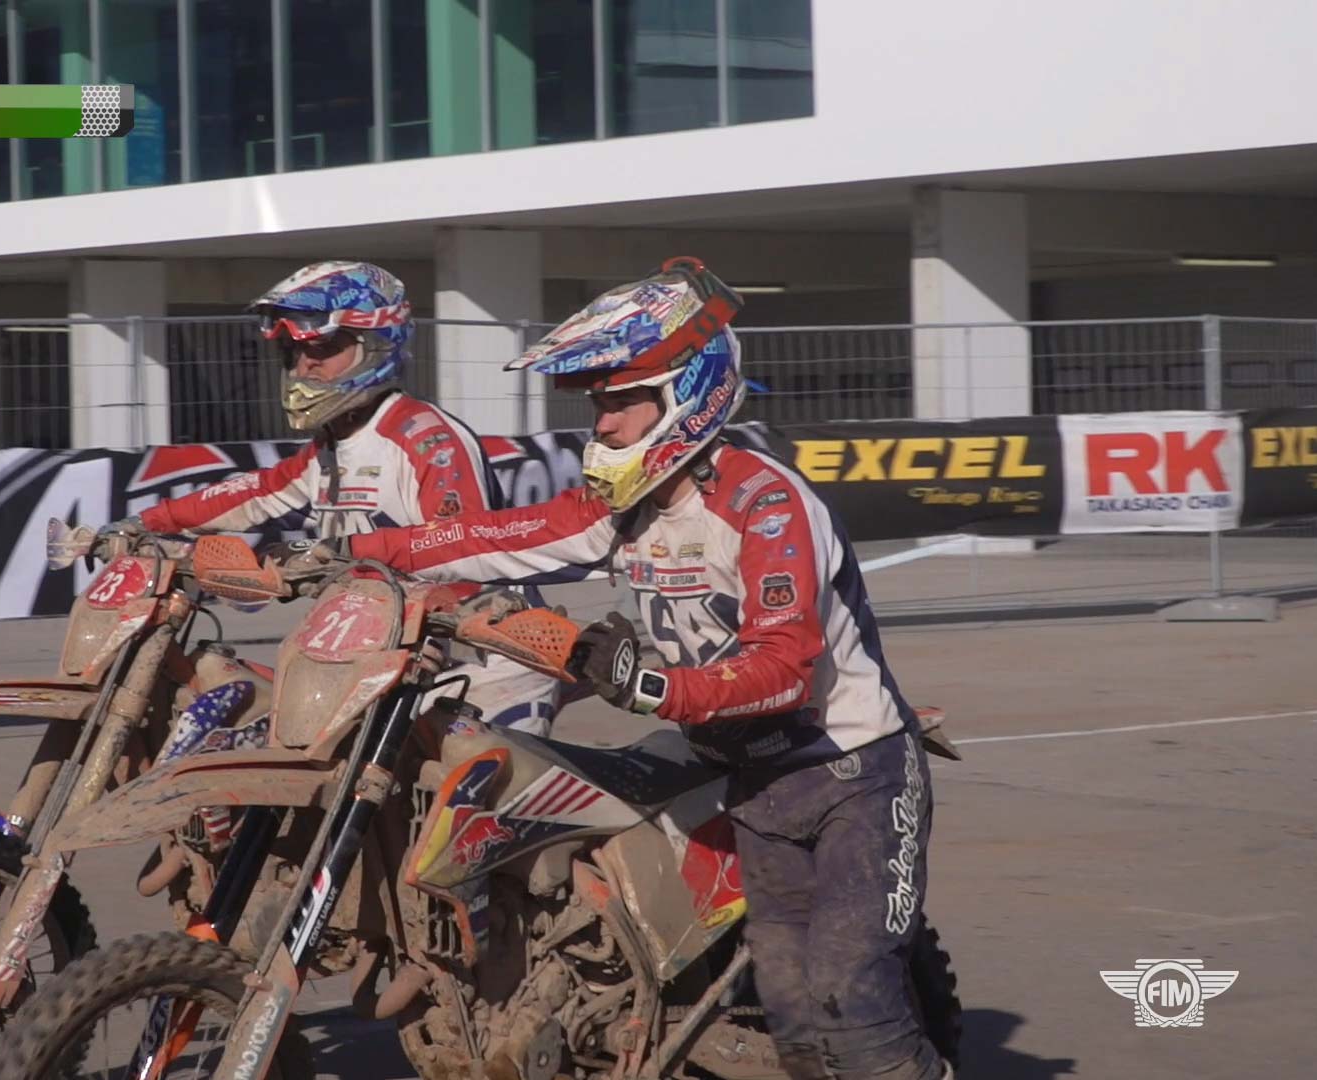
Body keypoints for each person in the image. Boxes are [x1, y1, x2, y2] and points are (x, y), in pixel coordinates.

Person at [301, 257, 949, 1080]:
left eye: (621, 401)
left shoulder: (764, 502)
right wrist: (352, 550)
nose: (602, 424)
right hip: (745, 781)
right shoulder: (626, 504)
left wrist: (648, 683)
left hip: (847, 774)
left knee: (853, 1010)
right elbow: (495, 535)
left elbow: (784, 666)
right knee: (795, 1025)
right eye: (597, 404)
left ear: (685, 393)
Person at [118, 259, 558, 734]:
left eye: (324, 347)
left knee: (457, 779)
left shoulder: (427, 439)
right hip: (382, 653)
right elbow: (258, 491)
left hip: (486, 662)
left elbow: (466, 554)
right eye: (293, 350)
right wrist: (146, 523)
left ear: (375, 346)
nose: (304, 364)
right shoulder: (329, 445)